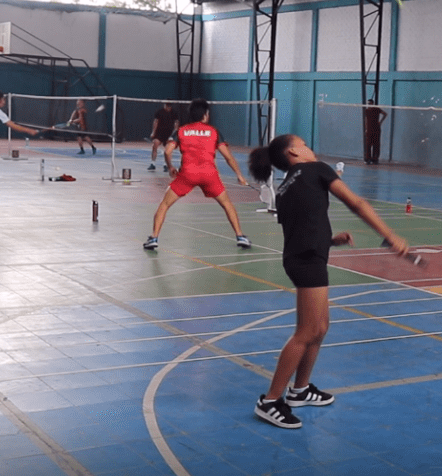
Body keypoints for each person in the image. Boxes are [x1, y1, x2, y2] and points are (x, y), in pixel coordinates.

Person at [247, 133, 410, 429]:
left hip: (302, 257)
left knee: (320, 328)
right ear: (294, 152)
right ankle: (270, 401)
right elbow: (356, 203)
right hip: (307, 261)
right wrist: (389, 235)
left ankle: (300, 390)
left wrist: (331, 241)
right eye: (304, 144)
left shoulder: (284, 188)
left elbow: (302, 228)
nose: (310, 148)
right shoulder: (317, 169)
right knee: (307, 331)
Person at [144, 98, 252, 251]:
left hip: (187, 175)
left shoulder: (181, 131)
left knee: (165, 204)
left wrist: (170, 167)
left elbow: (167, 151)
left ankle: (154, 238)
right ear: (205, 115)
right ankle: (240, 236)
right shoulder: (214, 131)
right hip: (210, 175)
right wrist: (240, 175)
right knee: (227, 204)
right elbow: (228, 157)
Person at [148, 102, 178, 171]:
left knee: (168, 149)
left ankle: (166, 165)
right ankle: (153, 164)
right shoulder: (159, 112)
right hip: (159, 133)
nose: (168, 107)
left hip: (169, 133)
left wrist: (174, 134)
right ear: (165, 105)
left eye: (169, 106)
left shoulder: (174, 112)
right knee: (155, 145)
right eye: (167, 106)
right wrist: (153, 132)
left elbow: (176, 123)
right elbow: (156, 122)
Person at [363, 99, 387, 165]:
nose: (368, 105)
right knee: (368, 145)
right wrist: (366, 129)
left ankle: (375, 159)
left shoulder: (377, 109)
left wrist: (380, 122)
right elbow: (366, 120)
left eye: (369, 103)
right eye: (368, 104)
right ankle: (368, 158)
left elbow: (385, 114)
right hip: (369, 130)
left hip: (376, 129)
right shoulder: (367, 110)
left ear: (372, 103)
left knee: (376, 144)